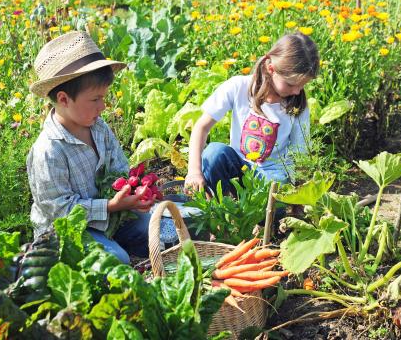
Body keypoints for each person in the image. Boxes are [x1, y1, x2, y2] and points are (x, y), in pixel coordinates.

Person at [27, 31, 155, 264]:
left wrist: (133, 191)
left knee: (159, 228)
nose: (103, 106)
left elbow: (119, 166)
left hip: (111, 214)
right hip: (68, 232)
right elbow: (60, 211)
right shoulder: (48, 150)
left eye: (104, 98)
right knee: (116, 262)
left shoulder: (98, 127)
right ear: (64, 99)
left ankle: (124, 244)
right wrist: (110, 205)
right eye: (96, 99)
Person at [184, 32, 319, 200]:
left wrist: (301, 197)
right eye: (292, 84)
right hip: (238, 167)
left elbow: (301, 154)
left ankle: (260, 218)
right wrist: (194, 172)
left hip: (271, 177)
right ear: (271, 69)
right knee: (214, 153)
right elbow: (201, 127)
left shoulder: (297, 105)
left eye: (303, 85)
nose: (297, 91)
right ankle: (219, 209)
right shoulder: (238, 87)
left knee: (275, 188)